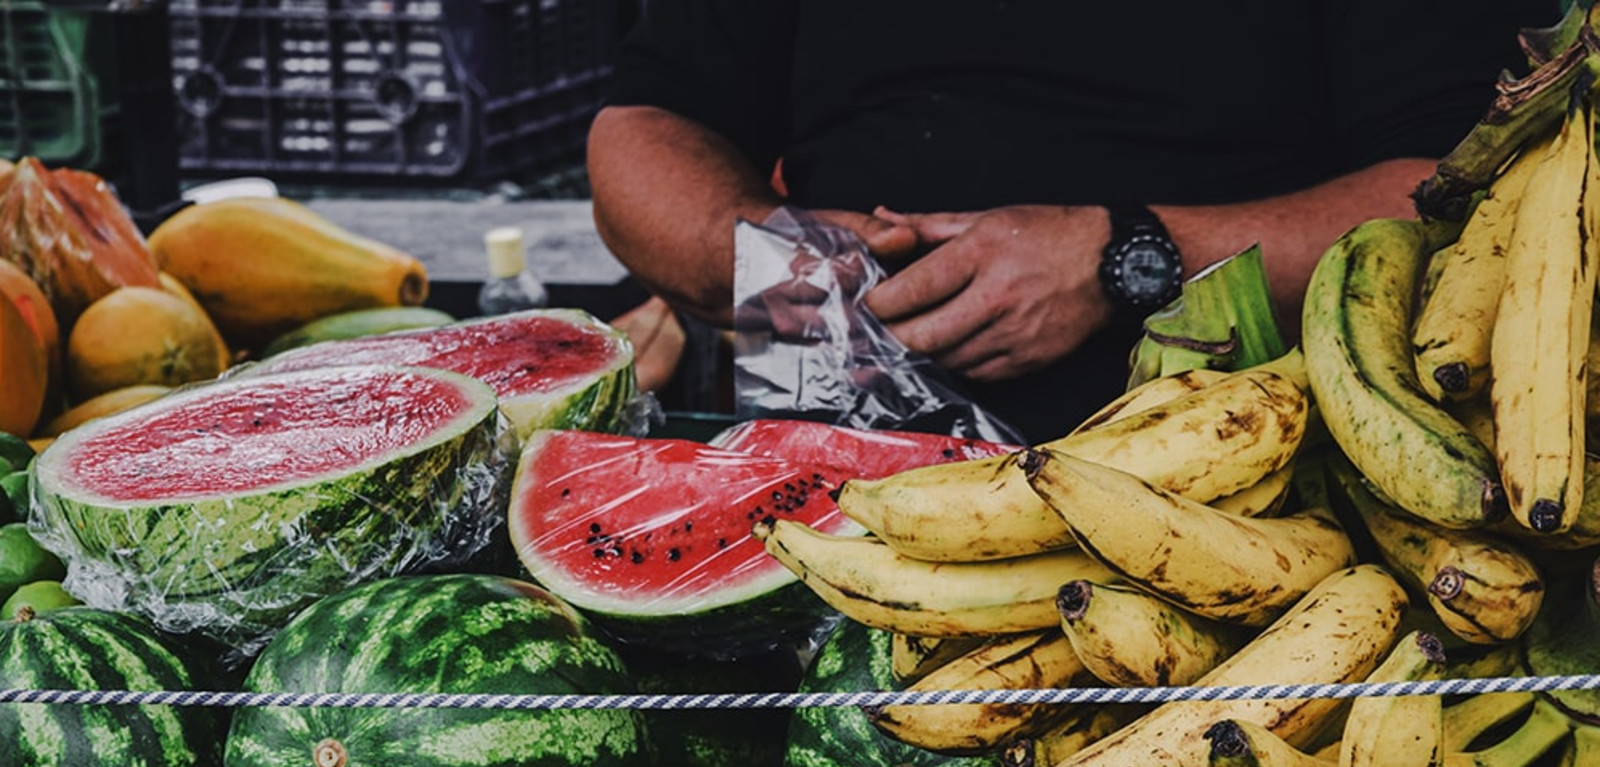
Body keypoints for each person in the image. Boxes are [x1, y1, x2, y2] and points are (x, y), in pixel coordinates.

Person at [587, 1, 1554, 442]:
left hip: (1245, 474)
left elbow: (1464, 187)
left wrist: (1131, 258)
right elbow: (641, 132)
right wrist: (779, 265)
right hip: (840, 482)